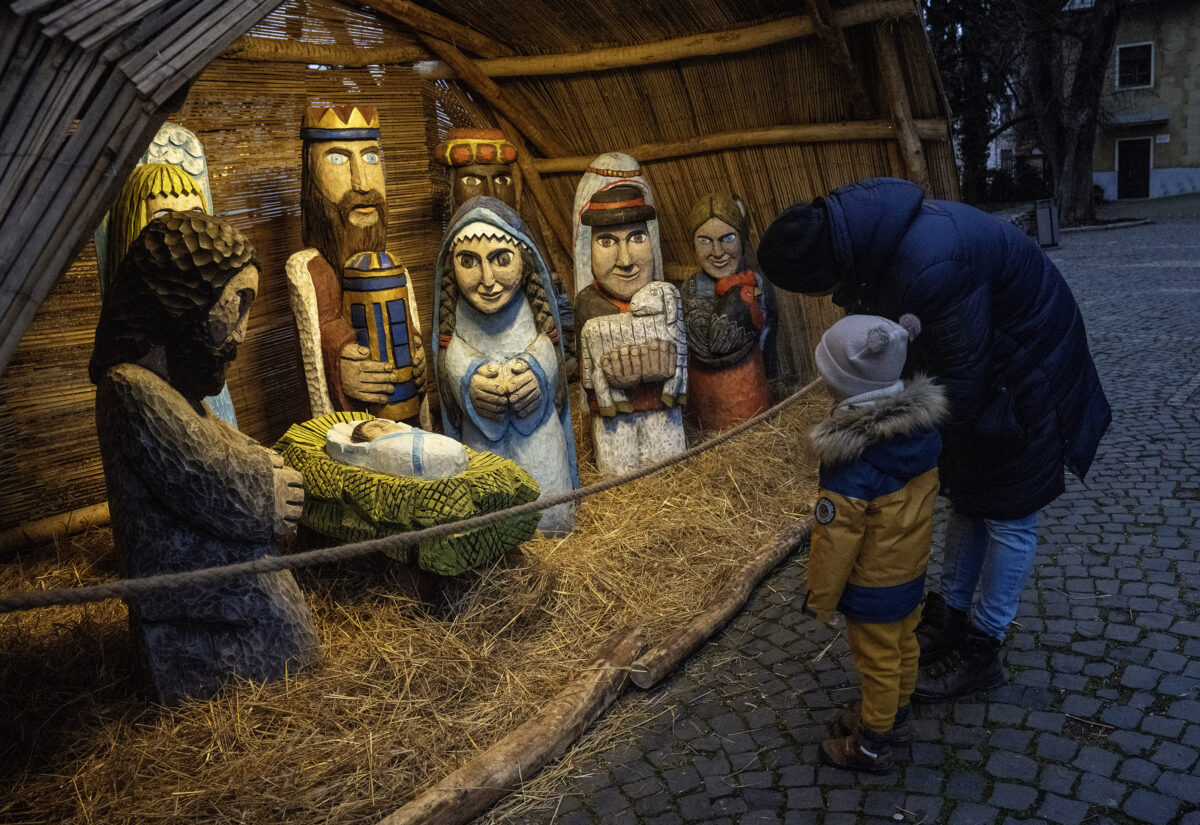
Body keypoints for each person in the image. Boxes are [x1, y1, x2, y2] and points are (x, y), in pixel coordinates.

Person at [759, 177, 1111, 701]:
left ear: (822, 267)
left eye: (812, 288)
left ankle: (983, 645)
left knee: (1010, 515)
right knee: (968, 498)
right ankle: (950, 616)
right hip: (992, 372)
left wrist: (908, 450)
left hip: (1029, 376)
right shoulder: (873, 241)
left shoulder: (929, 265)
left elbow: (963, 380)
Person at [90, 210, 319, 704]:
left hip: (218, 594)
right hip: (189, 612)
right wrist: (267, 488)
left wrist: (262, 464)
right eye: (236, 305)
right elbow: (205, 477)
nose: (242, 332)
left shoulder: (171, 389)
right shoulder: (131, 388)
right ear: (184, 300)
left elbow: (214, 441)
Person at [805, 313, 945, 773]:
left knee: (878, 663)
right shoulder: (921, 432)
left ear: (843, 384)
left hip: (872, 584)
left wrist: (822, 599)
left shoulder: (851, 459)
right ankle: (894, 719)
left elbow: (836, 538)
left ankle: (871, 745)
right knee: (903, 647)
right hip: (910, 569)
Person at [433, 196, 579, 535]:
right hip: (483, 438)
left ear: (524, 259)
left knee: (550, 516)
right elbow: (450, 353)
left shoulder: (532, 303)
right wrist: (469, 378)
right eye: (468, 262)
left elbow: (549, 344)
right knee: (490, 517)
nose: (487, 280)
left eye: (501, 260)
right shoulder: (456, 314)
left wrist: (536, 371)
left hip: (537, 431)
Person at [286, 105, 428, 423]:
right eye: (337, 159)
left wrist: (415, 350)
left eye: (371, 157)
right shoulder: (309, 269)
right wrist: (340, 363)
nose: (362, 183)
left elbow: (404, 324)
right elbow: (314, 346)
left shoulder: (396, 268)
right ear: (311, 174)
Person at [323, 416, 469, 479]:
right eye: (374, 428)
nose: (383, 425)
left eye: (383, 422)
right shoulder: (383, 447)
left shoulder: (412, 433)